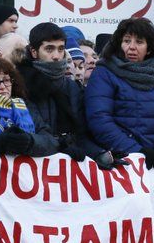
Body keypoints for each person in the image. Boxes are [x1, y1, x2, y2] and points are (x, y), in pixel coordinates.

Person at [84, 17, 154, 169]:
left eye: (139, 42)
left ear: (149, 48)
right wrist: (138, 152)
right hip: (121, 164)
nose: (131, 47)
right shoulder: (104, 73)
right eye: (127, 41)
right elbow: (99, 119)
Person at [16, 22, 101, 164]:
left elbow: (82, 133)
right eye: (49, 49)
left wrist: (100, 154)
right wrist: (60, 146)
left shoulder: (71, 87)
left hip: (68, 166)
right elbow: (32, 131)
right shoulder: (20, 84)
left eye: (61, 49)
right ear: (34, 52)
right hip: (33, 164)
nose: (56, 56)